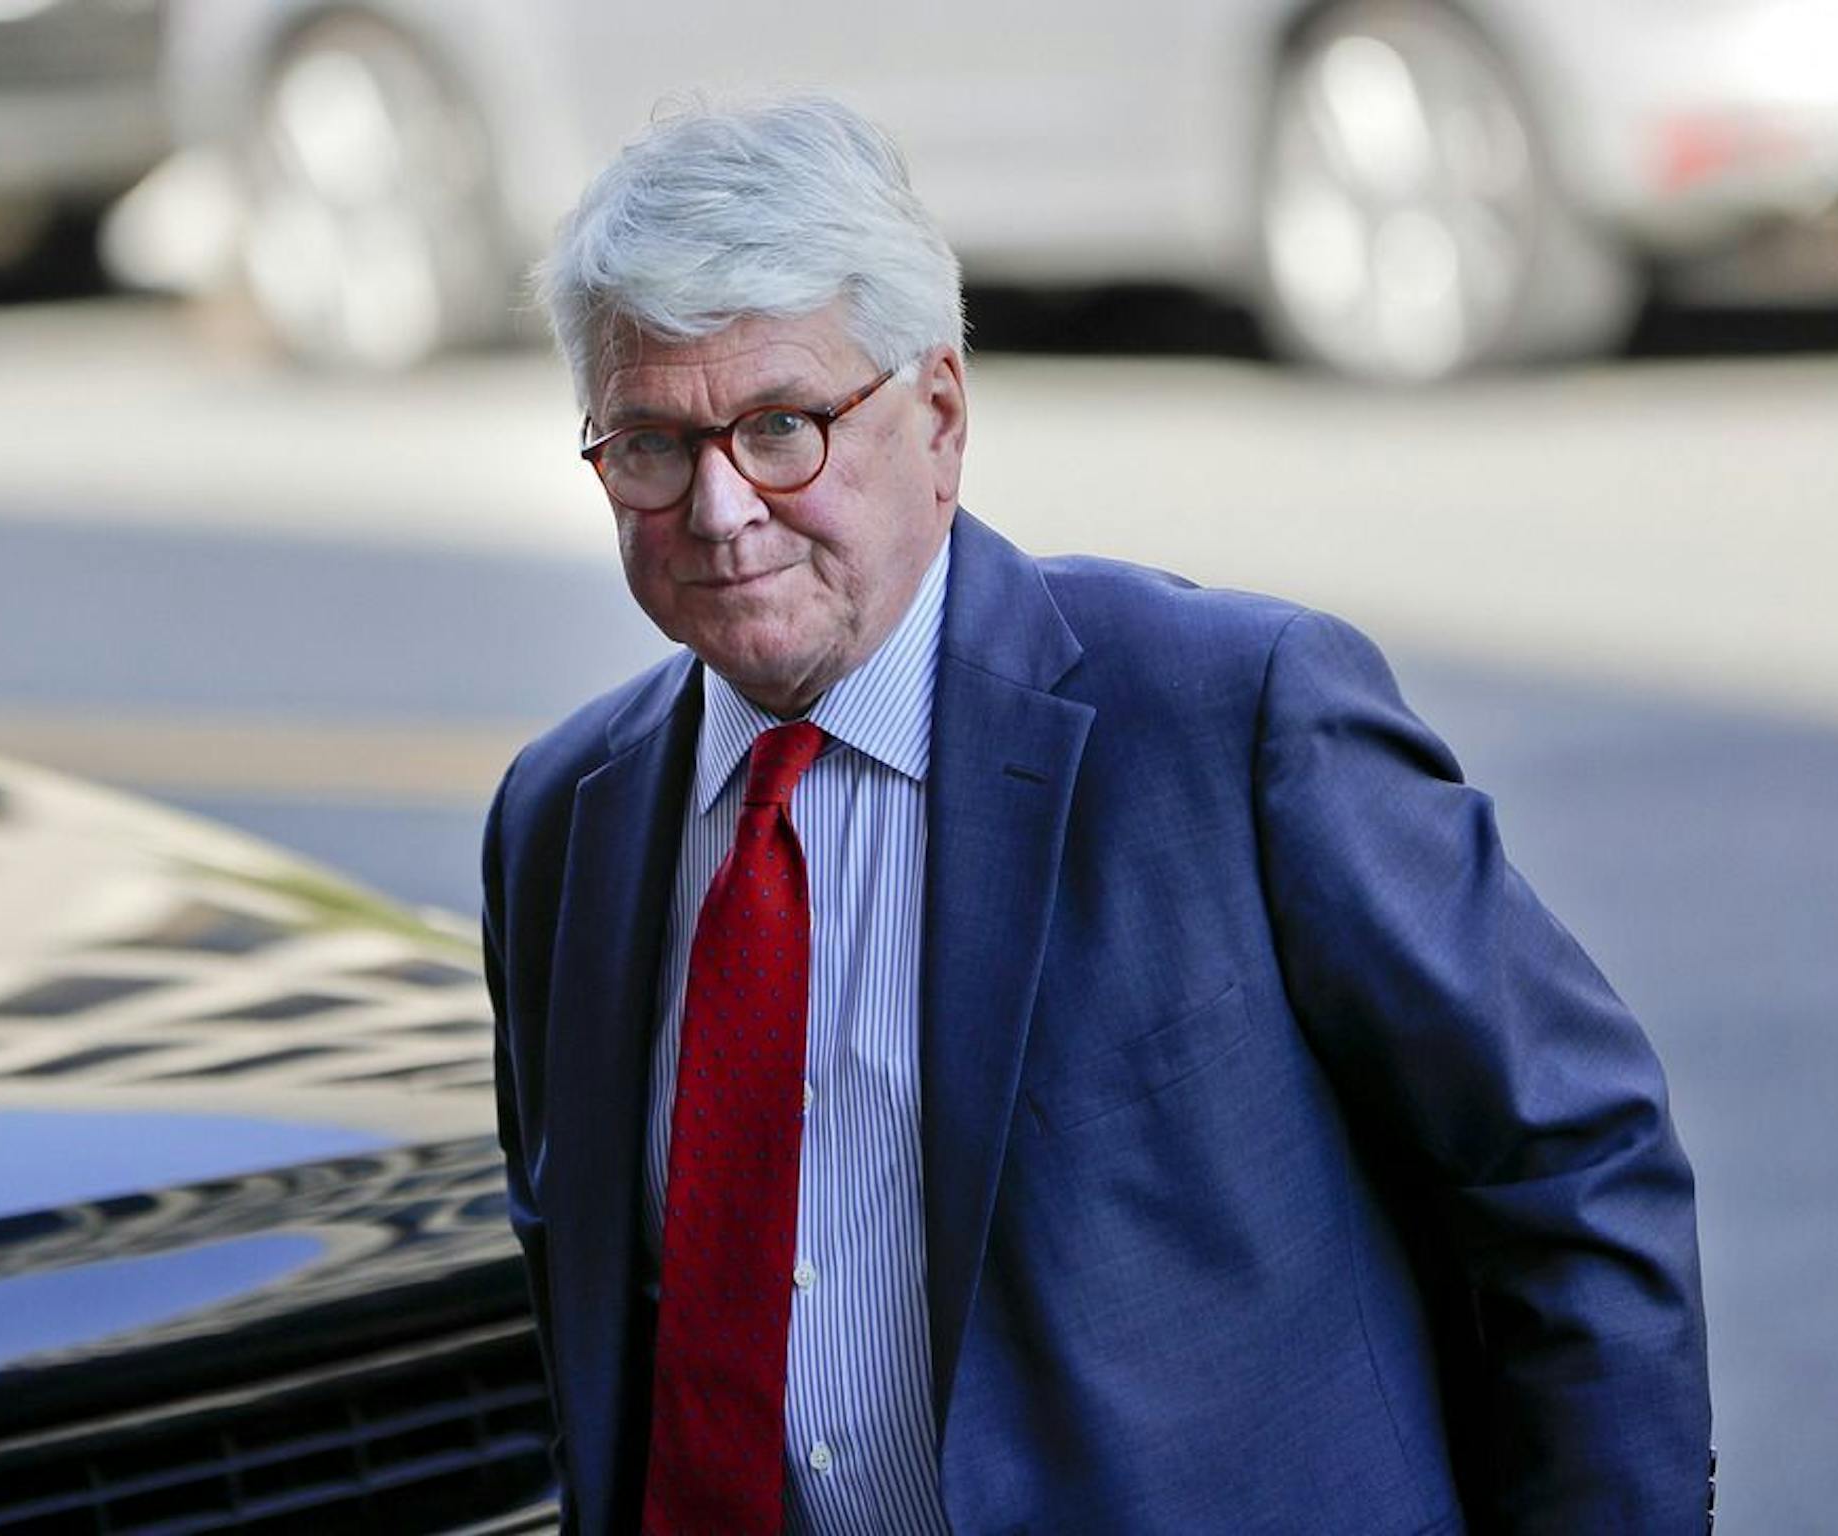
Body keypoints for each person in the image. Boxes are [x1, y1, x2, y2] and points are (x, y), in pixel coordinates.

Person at [482, 96, 1711, 1536]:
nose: (722, 509)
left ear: (937, 415)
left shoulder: (1230, 717)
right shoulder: (565, 822)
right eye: (648, 445)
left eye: (780, 427)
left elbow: (1571, 1163)